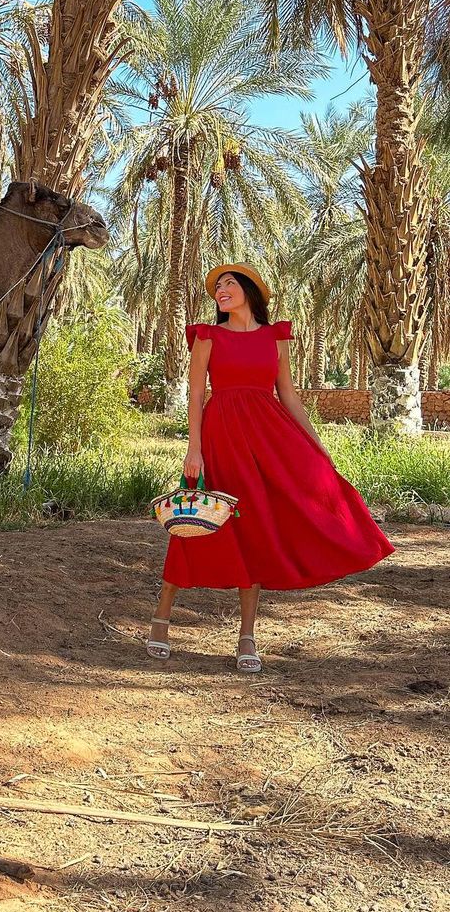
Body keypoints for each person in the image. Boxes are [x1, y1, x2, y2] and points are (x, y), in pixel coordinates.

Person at [147, 264, 393, 672]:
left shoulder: (275, 337)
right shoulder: (207, 337)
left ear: (249, 291)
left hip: (267, 439)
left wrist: (317, 446)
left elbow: (290, 397)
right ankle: (162, 617)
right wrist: (194, 448)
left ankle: (247, 635)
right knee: (194, 525)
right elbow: (195, 395)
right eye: (216, 288)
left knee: (257, 529)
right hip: (220, 438)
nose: (220, 291)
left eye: (228, 284)